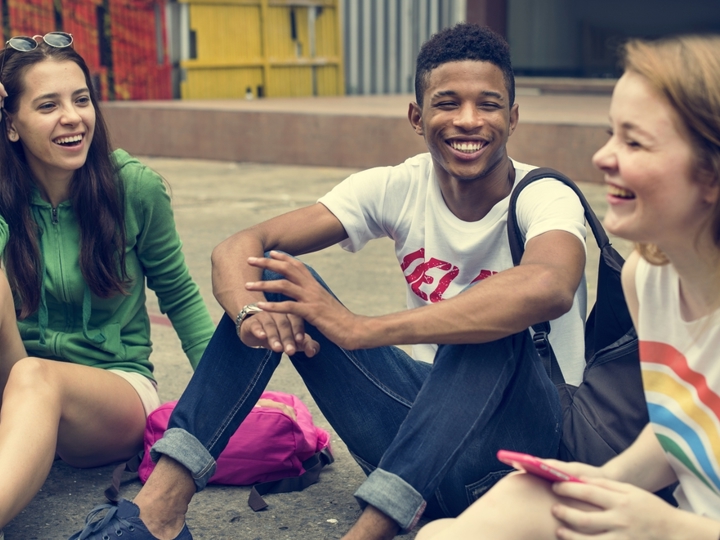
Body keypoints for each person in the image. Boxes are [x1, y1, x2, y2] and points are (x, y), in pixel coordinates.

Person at [71, 23, 589, 540]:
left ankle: (367, 532)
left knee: (490, 320)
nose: (468, 121)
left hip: (521, 459)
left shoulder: (543, 196)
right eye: (447, 103)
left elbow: (549, 284)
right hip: (417, 446)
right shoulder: (397, 186)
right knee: (276, 281)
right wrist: (252, 318)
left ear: (513, 117)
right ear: (418, 116)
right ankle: (158, 512)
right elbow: (240, 247)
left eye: (489, 105)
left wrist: (362, 329)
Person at [415, 34, 720, 540]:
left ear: (711, 172)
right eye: (611, 134)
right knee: (464, 522)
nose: (602, 157)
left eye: (635, 142)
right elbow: (679, 431)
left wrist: (665, 528)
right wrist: (600, 482)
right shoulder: (649, 279)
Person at [0, 33, 214, 533]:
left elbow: (180, 296)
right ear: (11, 124)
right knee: (27, 374)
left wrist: (225, 402)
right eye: (48, 105)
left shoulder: (132, 188)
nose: (73, 117)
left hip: (112, 389)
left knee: (36, 377)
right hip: (13, 373)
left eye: (81, 99)